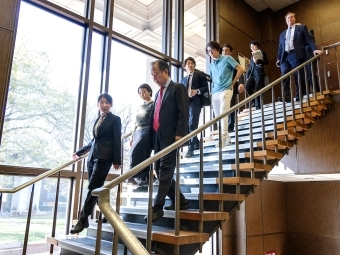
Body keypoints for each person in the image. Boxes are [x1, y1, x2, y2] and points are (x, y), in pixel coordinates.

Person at [70, 93, 121, 234]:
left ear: (111, 105)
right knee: (96, 188)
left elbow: (117, 139)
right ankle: (107, 214)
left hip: (105, 158)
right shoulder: (97, 119)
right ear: (98, 104)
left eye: (107, 103)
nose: (104, 105)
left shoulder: (115, 119)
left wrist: (118, 159)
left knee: (92, 188)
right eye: (101, 102)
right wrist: (79, 152)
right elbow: (94, 141)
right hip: (92, 157)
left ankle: (83, 219)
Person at [145, 59, 190, 223]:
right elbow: (154, 117)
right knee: (159, 170)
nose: (154, 78)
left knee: (165, 170)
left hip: (172, 137)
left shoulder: (178, 88)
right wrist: (151, 140)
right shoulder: (157, 93)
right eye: (152, 75)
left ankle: (157, 207)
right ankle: (181, 201)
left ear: (165, 71)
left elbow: (184, 112)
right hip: (158, 137)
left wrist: (180, 134)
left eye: (156, 74)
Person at [276, 12, 321, 102]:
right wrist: (278, 58)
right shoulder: (282, 34)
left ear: (295, 19)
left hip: (295, 53)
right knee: (284, 74)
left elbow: (309, 39)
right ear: (286, 21)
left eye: (292, 17)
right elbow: (280, 47)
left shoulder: (301, 28)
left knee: (298, 74)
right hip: (284, 56)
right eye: (288, 18)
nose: (290, 19)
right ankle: (286, 96)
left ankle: (299, 94)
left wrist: (314, 49)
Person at [206, 41, 244, 147]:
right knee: (218, 117)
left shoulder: (227, 58)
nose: (211, 52)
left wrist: (233, 82)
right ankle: (227, 138)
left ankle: (222, 139)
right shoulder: (211, 65)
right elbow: (213, 79)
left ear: (218, 49)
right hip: (215, 92)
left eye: (212, 50)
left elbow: (240, 69)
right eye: (208, 51)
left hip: (226, 90)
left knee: (223, 115)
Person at [180, 57, 209, 158]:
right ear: (185, 66)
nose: (190, 65)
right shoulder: (183, 80)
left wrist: (196, 91)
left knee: (192, 124)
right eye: (188, 63)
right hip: (186, 103)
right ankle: (196, 143)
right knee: (188, 125)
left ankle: (190, 149)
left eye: (192, 63)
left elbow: (206, 87)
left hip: (196, 102)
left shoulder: (199, 74)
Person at [129, 84, 153, 192]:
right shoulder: (140, 107)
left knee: (139, 154)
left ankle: (137, 177)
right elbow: (135, 122)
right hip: (137, 131)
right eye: (140, 93)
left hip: (147, 130)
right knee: (134, 154)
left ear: (149, 92)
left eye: (144, 91)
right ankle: (141, 181)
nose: (142, 94)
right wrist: (132, 136)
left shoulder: (154, 104)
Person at [221, 44, 245, 132]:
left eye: (226, 50)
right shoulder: (219, 62)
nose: (224, 52)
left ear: (231, 52)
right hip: (221, 88)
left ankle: (230, 127)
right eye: (223, 50)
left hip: (231, 86)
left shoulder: (233, 60)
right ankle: (224, 127)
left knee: (231, 106)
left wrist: (241, 83)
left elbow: (240, 71)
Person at [245, 40, 269, 110]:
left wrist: (259, 61)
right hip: (252, 75)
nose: (252, 47)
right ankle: (254, 101)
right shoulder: (251, 56)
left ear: (257, 46)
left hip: (259, 74)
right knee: (247, 86)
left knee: (257, 90)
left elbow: (267, 62)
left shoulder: (262, 52)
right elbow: (250, 67)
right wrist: (247, 76)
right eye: (251, 46)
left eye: (253, 46)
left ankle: (258, 107)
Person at [305, 29, 320, 94]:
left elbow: (311, 41)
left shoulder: (307, 34)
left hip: (310, 57)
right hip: (305, 58)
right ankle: (307, 93)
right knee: (306, 76)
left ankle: (317, 91)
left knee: (311, 75)